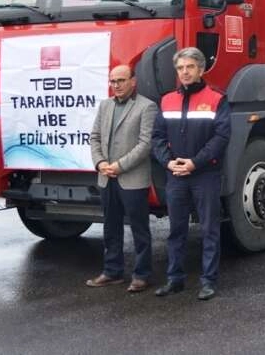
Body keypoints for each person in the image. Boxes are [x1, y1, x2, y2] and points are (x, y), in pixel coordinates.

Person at [151, 47, 230, 301]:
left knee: (209, 229)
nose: (184, 72)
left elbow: (221, 137)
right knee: (176, 230)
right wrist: (168, 163)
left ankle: (208, 281)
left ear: (201, 69)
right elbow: (157, 137)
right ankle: (175, 279)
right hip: (176, 175)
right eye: (180, 68)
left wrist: (195, 163)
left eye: (190, 67)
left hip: (205, 175)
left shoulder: (217, 99)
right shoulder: (166, 100)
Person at [87, 64, 158, 293]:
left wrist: (120, 166)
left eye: (121, 80)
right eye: (113, 81)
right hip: (106, 177)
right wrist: (100, 163)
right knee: (111, 227)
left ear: (132, 81)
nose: (116, 85)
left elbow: (145, 144)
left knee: (139, 229)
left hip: (132, 178)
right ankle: (112, 272)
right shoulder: (105, 105)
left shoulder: (147, 107)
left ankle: (142, 275)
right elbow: (94, 137)